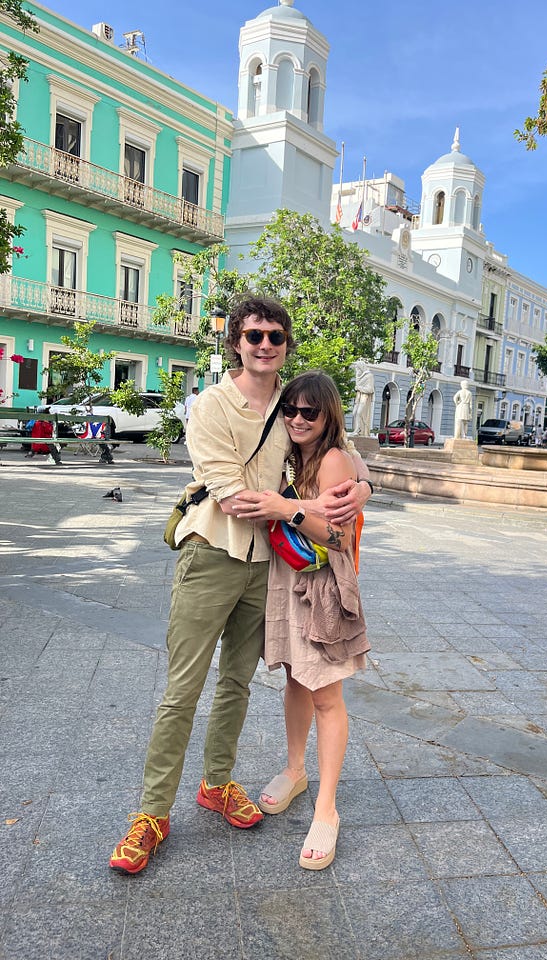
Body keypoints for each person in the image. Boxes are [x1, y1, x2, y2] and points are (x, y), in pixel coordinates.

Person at [109, 297, 371, 876]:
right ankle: (152, 814)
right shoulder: (209, 406)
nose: (264, 345)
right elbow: (235, 497)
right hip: (213, 555)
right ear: (235, 342)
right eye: (253, 335)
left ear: (286, 344)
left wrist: (364, 485)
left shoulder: (290, 403)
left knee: (237, 683)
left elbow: (337, 448)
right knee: (184, 687)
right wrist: (297, 505)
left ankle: (218, 781)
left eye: (275, 336)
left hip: (268, 567)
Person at [248, 370, 369, 870]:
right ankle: (295, 769)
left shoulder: (333, 458)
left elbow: (338, 539)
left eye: (309, 412)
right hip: (287, 577)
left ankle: (327, 809)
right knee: (296, 680)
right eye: (290, 410)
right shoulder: (289, 454)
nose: (297, 418)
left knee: (327, 695)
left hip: (322, 587)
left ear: (327, 416)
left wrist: (286, 508)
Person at [351, 361, 374, 436]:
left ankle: (359, 430)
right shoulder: (359, 376)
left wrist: (359, 388)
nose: (357, 371)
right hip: (359, 397)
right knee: (354, 412)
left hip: (364, 398)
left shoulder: (369, 376)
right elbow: (357, 386)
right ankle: (357, 429)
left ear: (361, 368)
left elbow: (370, 389)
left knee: (359, 413)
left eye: (358, 369)